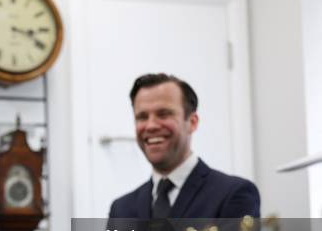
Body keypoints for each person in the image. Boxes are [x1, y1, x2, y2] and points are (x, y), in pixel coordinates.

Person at [109, 73, 260, 219]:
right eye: (142, 117)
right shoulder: (121, 209)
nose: (151, 126)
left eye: (163, 114)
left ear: (192, 122)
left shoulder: (233, 195)